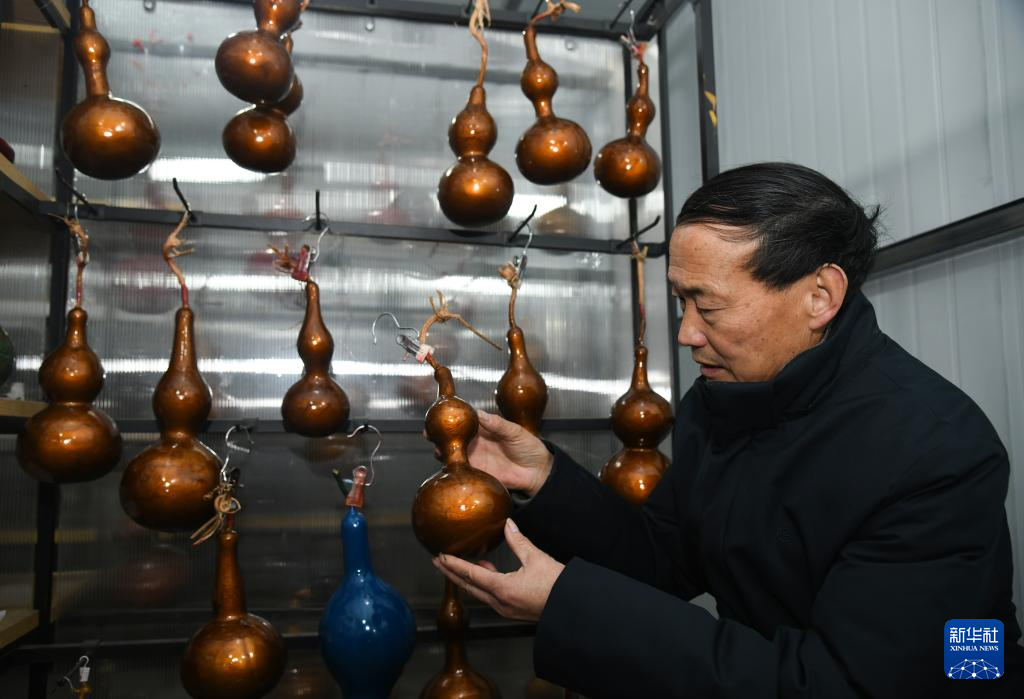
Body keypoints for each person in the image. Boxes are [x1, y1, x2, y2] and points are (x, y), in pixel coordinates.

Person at [433, 162, 1024, 697]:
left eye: (708, 307)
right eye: (681, 302)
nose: (687, 333)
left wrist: (572, 607)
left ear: (820, 296)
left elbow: (843, 685)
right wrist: (544, 478)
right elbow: (660, 556)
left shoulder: (936, 450)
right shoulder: (723, 401)